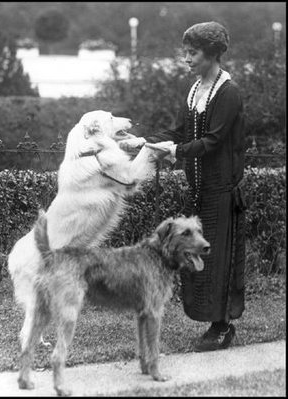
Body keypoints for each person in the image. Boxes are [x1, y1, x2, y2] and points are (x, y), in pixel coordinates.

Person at [121, 21, 246, 352]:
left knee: (216, 256)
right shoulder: (195, 89)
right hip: (200, 188)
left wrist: (173, 152)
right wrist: (144, 143)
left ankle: (222, 327)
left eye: (192, 53)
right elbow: (179, 132)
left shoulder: (228, 92)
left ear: (210, 54)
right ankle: (213, 324)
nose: (186, 58)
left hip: (220, 189)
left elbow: (213, 141)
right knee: (197, 255)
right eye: (186, 52)